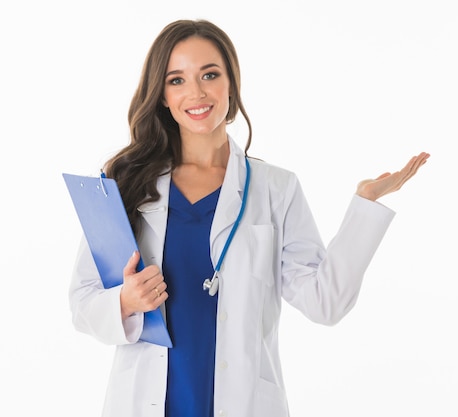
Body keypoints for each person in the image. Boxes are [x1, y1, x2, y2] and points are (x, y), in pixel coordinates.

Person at [69, 18, 430, 417]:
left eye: (210, 74)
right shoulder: (127, 182)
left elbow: (324, 303)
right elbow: (83, 300)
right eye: (177, 80)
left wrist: (365, 206)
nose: (196, 93)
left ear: (232, 83)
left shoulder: (276, 188)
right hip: (146, 402)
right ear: (162, 97)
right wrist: (124, 300)